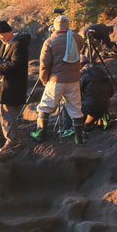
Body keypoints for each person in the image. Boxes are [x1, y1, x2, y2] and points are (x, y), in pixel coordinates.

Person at [31, 15, 86, 144]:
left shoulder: (50, 41)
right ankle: (79, 138)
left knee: (45, 107)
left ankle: (40, 135)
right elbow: (82, 44)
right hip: (73, 79)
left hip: (56, 80)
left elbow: (44, 64)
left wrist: (44, 79)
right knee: (75, 109)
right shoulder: (76, 38)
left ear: (55, 27)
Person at [0, 20, 31, 151]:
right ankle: (13, 138)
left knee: (7, 113)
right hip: (7, 85)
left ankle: (12, 141)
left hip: (12, 85)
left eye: (2, 36)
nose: (1, 40)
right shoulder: (7, 44)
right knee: (8, 113)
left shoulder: (18, 45)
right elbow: (0, 56)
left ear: (9, 32)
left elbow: (18, 64)